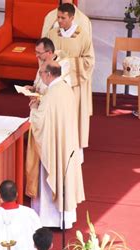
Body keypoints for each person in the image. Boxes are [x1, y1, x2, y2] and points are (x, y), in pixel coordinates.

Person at [25, 61, 85, 229]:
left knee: (49, 179)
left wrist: (34, 108)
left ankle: (48, 219)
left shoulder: (51, 95)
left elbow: (38, 123)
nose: (40, 77)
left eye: (42, 73)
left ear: (49, 74)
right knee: (64, 178)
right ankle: (66, 218)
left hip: (54, 146)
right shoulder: (65, 88)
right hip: (66, 142)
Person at [46, 3, 95, 152]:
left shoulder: (83, 36)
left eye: (63, 18)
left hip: (75, 84)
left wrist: (67, 64)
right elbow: (45, 57)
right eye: (58, 17)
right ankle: (56, 147)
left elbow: (89, 61)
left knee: (73, 117)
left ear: (72, 17)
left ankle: (75, 152)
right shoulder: (52, 34)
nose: (59, 21)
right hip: (56, 83)